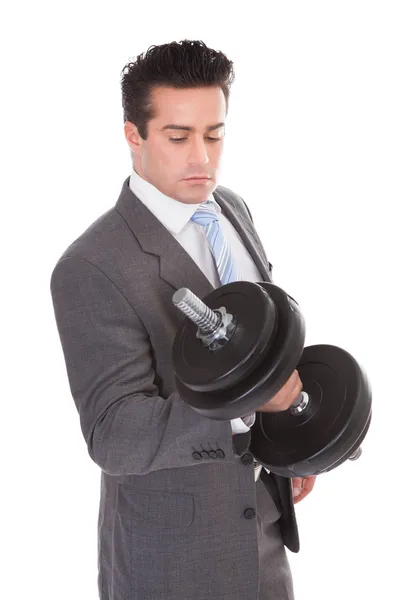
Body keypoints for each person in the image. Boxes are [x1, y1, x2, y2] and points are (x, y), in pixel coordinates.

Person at [50, 39, 316, 600]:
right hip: (170, 558)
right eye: (178, 137)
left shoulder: (231, 209)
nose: (203, 158)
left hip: (263, 536)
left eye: (214, 135)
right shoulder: (91, 266)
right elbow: (114, 434)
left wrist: (287, 440)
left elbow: (259, 347)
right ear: (134, 136)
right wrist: (247, 409)